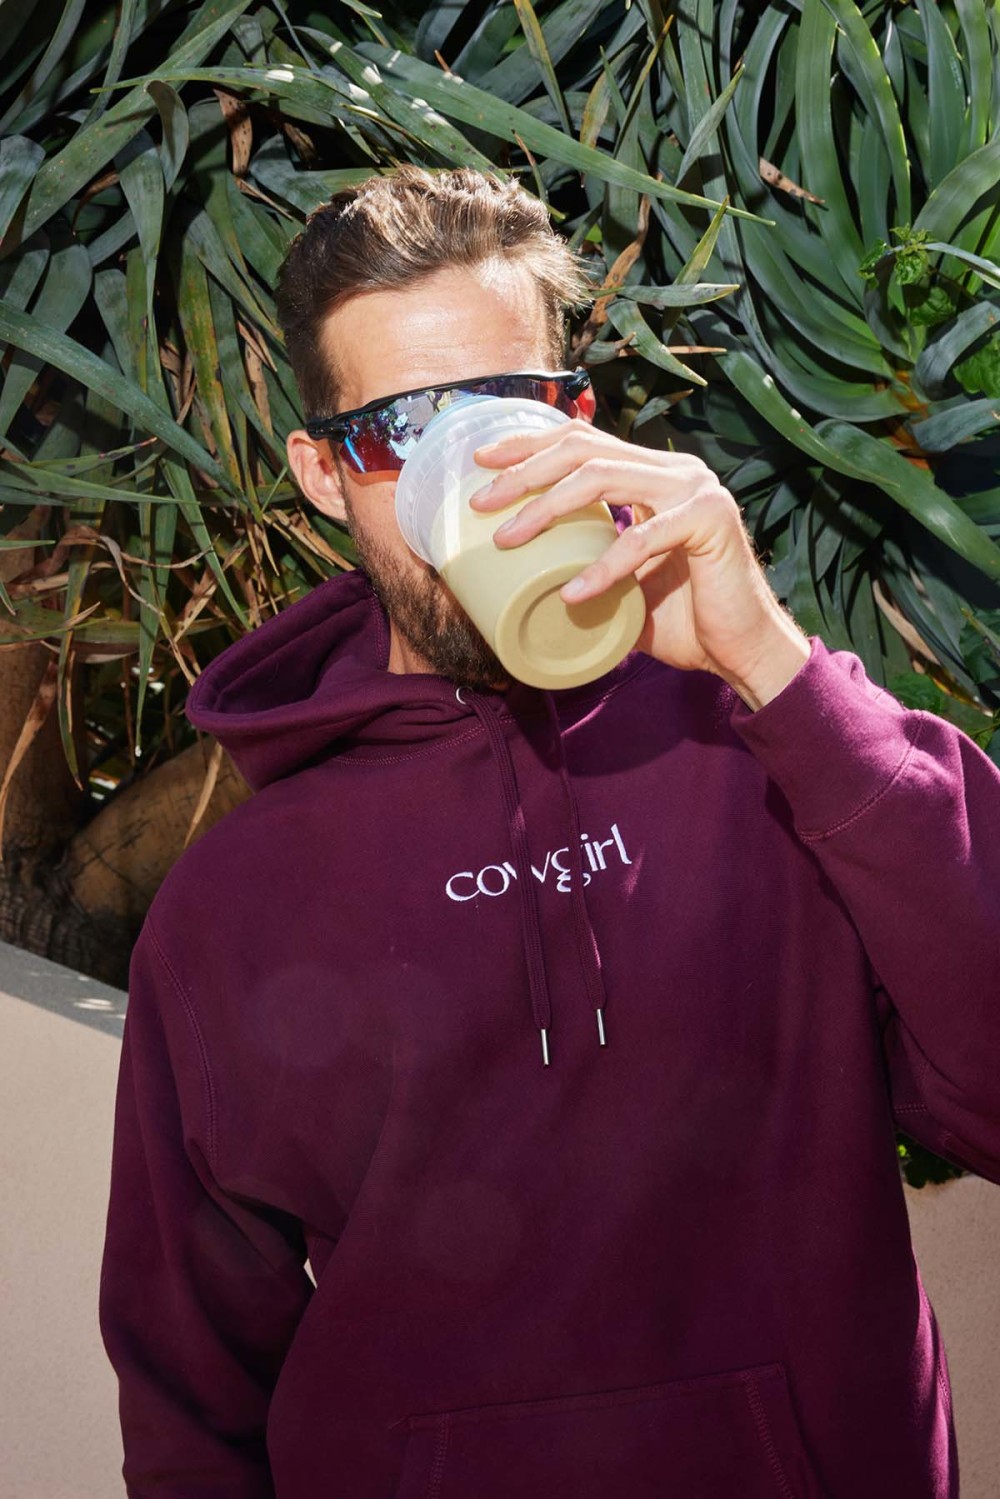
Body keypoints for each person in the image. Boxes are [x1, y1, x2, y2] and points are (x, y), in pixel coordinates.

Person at [98, 166, 1000, 1499]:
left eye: (503, 410)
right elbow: (188, 1397)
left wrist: (771, 662)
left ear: (577, 420)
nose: (471, 470)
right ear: (325, 475)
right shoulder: (235, 901)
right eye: (404, 430)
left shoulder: (778, 747)